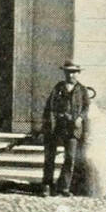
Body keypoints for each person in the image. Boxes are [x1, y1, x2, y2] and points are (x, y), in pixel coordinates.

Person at [41, 61, 90, 196]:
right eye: (68, 72)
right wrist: (50, 122)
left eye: (73, 72)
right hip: (57, 127)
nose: (70, 75)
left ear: (78, 73)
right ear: (64, 73)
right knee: (50, 157)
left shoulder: (82, 90)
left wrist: (80, 118)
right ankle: (47, 184)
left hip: (73, 128)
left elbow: (86, 108)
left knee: (70, 158)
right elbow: (49, 106)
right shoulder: (58, 88)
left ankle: (63, 187)